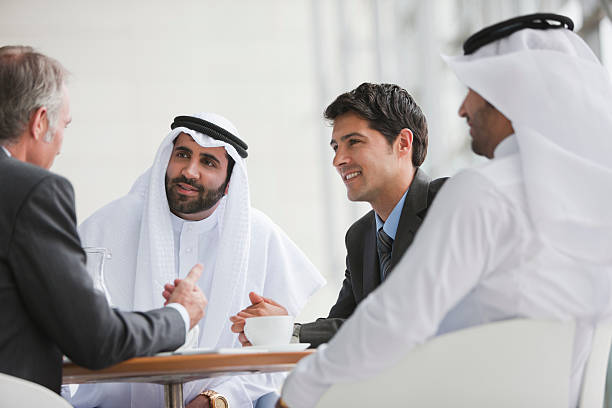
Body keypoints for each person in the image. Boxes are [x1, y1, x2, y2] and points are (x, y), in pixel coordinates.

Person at [277, 13, 612, 408]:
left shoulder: (483, 191)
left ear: (513, 95)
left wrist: (297, 393)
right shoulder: (591, 201)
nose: (462, 109)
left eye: (475, 90)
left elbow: (396, 319)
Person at [66, 112, 325, 408]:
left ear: (229, 183)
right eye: (182, 155)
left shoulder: (261, 237)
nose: (189, 171)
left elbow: (272, 363)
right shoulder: (107, 226)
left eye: (208, 162)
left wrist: (217, 399)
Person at [0, 46, 207, 395]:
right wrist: (179, 316)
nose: (61, 144)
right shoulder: (33, 191)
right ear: (39, 122)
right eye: (63, 125)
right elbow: (94, 338)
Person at [230, 83, 447, 348]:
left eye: (354, 142)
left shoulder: (447, 203)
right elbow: (342, 328)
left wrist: (292, 330)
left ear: (403, 143)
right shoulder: (360, 237)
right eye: (335, 147)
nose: (338, 160)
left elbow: (407, 316)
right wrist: (279, 331)